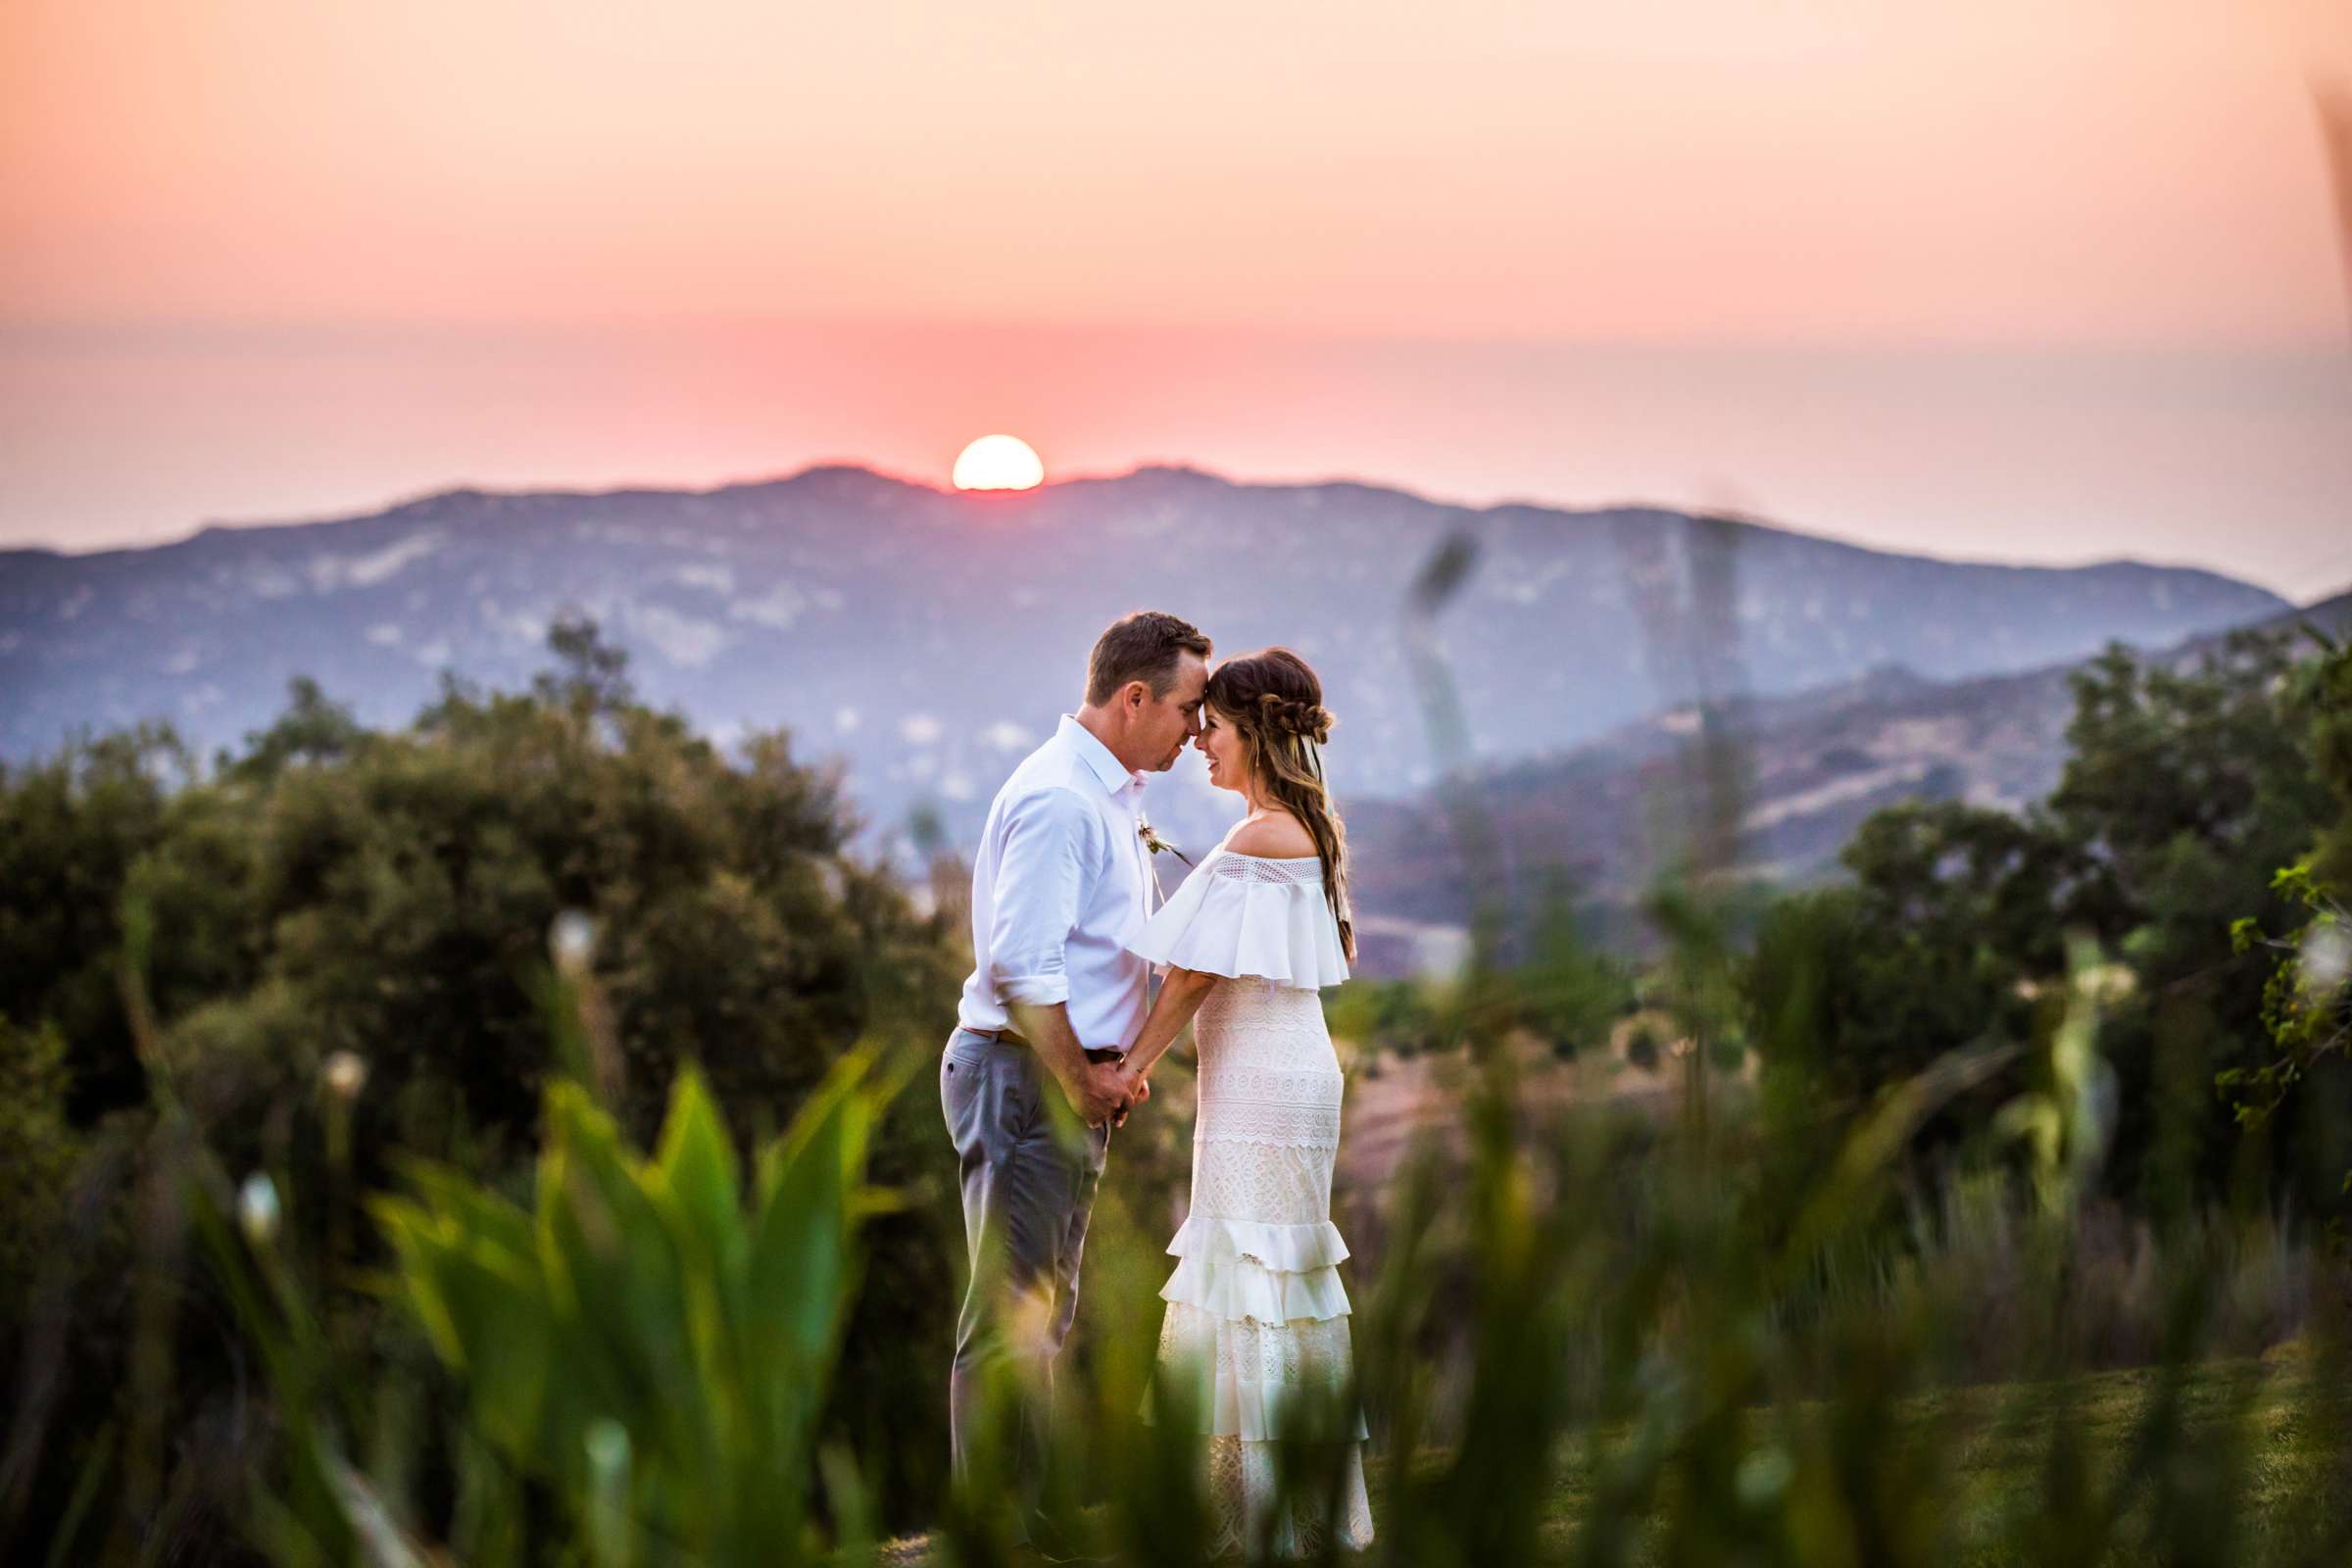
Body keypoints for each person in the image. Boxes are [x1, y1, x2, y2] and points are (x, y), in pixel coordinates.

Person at [941, 610, 1210, 1550]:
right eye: (1188, 709)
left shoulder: (1111, 790)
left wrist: (1114, 1063)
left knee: (1042, 1305)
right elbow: (1021, 969)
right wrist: (1082, 1080)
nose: (1198, 730)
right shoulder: (1062, 797)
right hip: (1024, 1075)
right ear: (1134, 697)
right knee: (1010, 1311)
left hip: (1055, 1075)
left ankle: (1028, 1517)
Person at [1116, 646, 1376, 1557]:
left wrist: (1126, 1070)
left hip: (1264, 1083)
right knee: (1267, 1278)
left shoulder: (1260, 837)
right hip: (1281, 1071)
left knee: (1252, 1273)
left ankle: (1259, 1512)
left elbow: (1190, 975)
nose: (1201, 745)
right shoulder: (1304, 826)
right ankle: (1267, 1499)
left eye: (1214, 728)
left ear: (1257, 732)